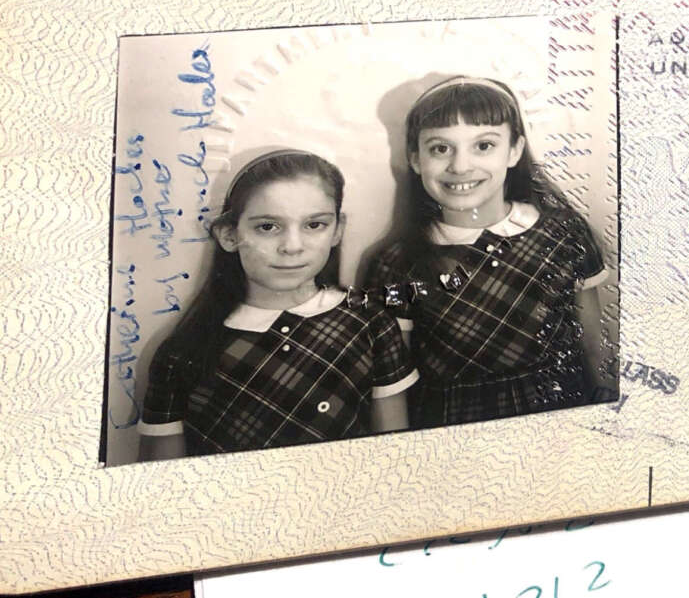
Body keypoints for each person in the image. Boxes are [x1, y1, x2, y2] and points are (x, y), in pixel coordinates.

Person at [367, 76, 616, 429]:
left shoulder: (561, 233)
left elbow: (594, 342)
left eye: (483, 146)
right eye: (440, 148)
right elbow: (394, 383)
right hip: (450, 427)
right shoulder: (397, 263)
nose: (461, 166)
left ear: (514, 151)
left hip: (559, 412)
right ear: (415, 159)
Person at [138, 150, 417, 460]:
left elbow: (395, 455)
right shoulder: (182, 352)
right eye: (268, 227)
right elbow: (162, 481)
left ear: (337, 230)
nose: (292, 247)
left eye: (314, 225)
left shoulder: (371, 324)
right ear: (229, 235)